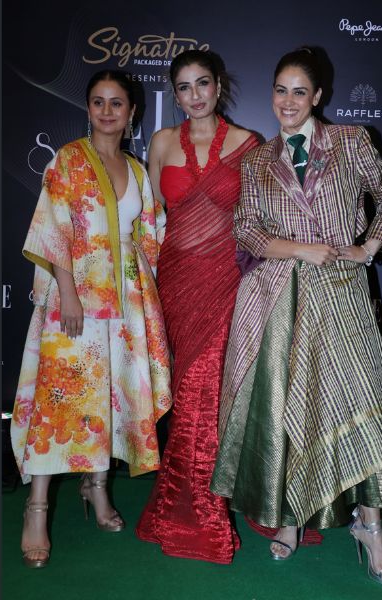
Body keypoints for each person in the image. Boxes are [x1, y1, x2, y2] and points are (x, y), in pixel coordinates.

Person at [210, 47, 382, 587]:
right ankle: (291, 517)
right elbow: (246, 229)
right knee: (291, 411)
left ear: (318, 96)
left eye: (299, 91)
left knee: (361, 403)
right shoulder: (257, 161)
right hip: (279, 299)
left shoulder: (350, 141)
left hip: (343, 296)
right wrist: (299, 248)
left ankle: (371, 530)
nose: (288, 101)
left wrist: (368, 248)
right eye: (280, 90)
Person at [10, 70, 172, 568]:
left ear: (131, 113)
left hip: (126, 303)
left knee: (110, 398)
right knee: (58, 403)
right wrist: (68, 294)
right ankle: (37, 509)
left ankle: (97, 487)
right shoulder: (67, 160)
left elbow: (150, 236)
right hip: (75, 299)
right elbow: (52, 230)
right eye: (98, 102)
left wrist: (146, 302)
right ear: (87, 109)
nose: (107, 111)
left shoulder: (138, 170)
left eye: (116, 103)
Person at [135, 49, 259, 564]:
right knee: (187, 395)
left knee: (205, 396)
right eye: (184, 87)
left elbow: (261, 219)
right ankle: (185, 503)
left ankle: (197, 514)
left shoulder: (249, 144)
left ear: (218, 85)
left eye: (202, 83)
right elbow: (149, 219)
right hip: (174, 283)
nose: (195, 95)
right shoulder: (162, 143)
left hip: (226, 283)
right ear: (175, 94)